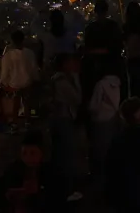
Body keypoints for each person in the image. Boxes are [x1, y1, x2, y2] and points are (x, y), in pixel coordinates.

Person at [0, 131, 65, 212]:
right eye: (24, 153)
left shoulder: (51, 172)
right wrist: (7, 196)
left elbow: (57, 199)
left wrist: (37, 193)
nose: (28, 158)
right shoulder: (13, 170)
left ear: (42, 153)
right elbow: (1, 189)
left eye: (33, 153)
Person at [46, 54, 82, 203]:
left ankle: (60, 189)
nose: (75, 64)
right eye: (71, 62)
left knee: (60, 154)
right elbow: (77, 99)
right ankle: (66, 190)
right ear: (64, 65)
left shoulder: (57, 79)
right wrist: (77, 79)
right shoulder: (63, 81)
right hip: (63, 120)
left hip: (58, 119)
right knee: (66, 155)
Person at [88, 58, 122, 181]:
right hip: (113, 117)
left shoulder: (100, 84)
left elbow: (94, 104)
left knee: (100, 149)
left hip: (100, 119)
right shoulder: (118, 84)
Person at [0, 30, 39, 134]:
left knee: (15, 104)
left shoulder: (8, 55)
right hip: (27, 83)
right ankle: (28, 123)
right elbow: (34, 69)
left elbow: (5, 71)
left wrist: (3, 82)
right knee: (27, 104)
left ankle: (15, 124)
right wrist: (35, 79)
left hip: (14, 84)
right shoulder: (29, 53)